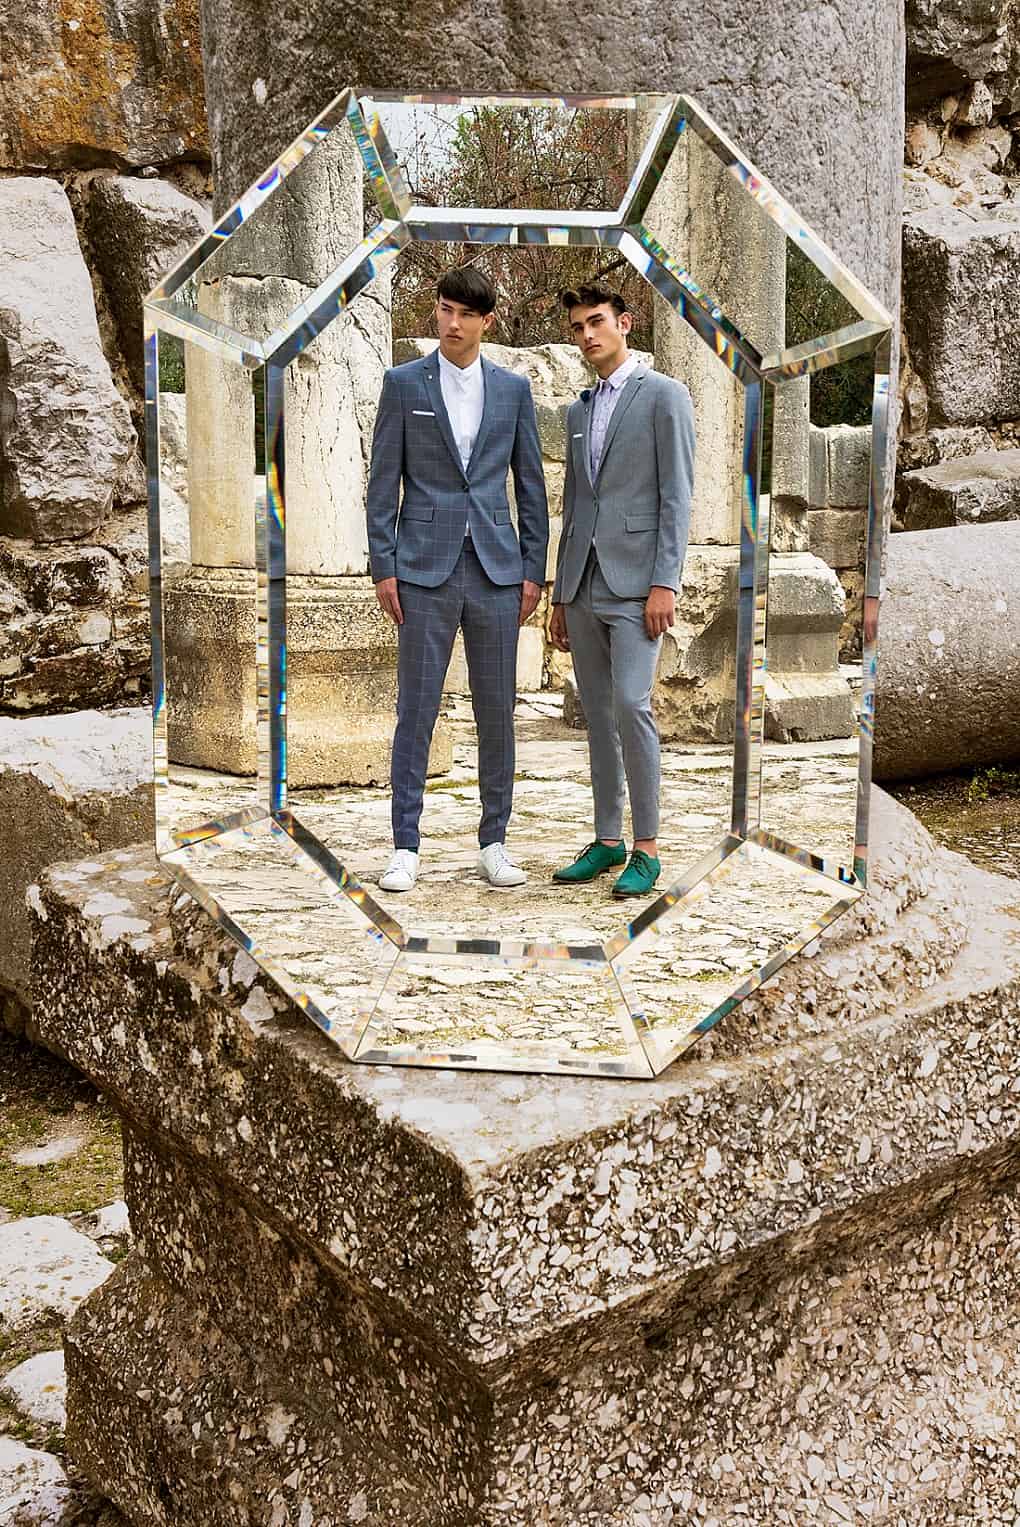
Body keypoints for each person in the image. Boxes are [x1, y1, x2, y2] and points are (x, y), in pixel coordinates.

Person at [366, 267, 548, 892]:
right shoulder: (402, 384)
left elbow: (531, 486)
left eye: (466, 314)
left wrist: (533, 570)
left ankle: (494, 842)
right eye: (445, 310)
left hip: (497, 570)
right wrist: (384, 565)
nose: (452, 323)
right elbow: (382, 483)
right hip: (422, 570)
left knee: (497, 711)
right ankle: (405, 846)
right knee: (415, 709)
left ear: (486, 321)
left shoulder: (513, 391)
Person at [550, 283, 695, 898]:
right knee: (598, 713)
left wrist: (665, 582)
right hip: (583, 582)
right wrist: (561, 594)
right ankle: (608, 839)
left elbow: (677, 497)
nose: (587, 335)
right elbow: (574, 504)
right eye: (578, 327)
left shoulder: (664, 396)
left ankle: (647, 848)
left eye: (597, 322)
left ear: (625, 324)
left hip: (638, 585)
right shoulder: (578, 411)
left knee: (633, 706)